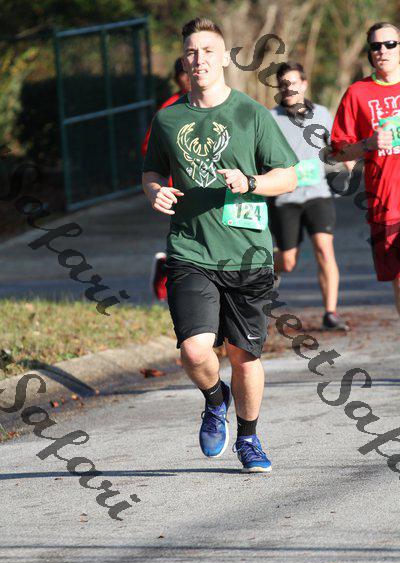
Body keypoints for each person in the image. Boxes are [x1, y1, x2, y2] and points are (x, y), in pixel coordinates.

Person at [142, 17, 298, 473]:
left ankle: (248, 438)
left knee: (244, 356)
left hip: (248, 254)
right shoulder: (168, 118)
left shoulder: (251, 114)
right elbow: (152, 171)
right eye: (192, 52)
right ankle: (215, 399)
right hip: (190, 250)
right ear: (184, 60)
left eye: (208, 50)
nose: (200, 59)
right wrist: (154, 191)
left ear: (225, 57)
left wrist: (250, 182)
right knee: (194, 350)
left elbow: (287, 177)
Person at [269, 61, 349, 331]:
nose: (288, 89)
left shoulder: (323, 114)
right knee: (288, 261)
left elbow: (336, 146)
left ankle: (331, 313)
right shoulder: (270, 118)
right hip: (285, 197)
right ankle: (267, 270)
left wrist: (348, 157)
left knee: (325, 249)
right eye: (283, 85)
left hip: (317, 193)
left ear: (304, 84)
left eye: (293, 83)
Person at [331, 22, 400, 316]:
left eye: (390, 44)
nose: (383, 50)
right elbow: (339, 150)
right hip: (386, 204)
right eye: (376, 46)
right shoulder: (358, 93)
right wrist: (368, 143)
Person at [142, 58, 191, 301]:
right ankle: (167, 269)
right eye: (184, 73)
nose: (189, 77)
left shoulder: (215, 103)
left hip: (208, 183)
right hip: (178, 186)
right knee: (189, 238)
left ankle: (166, 265)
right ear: (177, 78)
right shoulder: (169, 110)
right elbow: (149, 150)